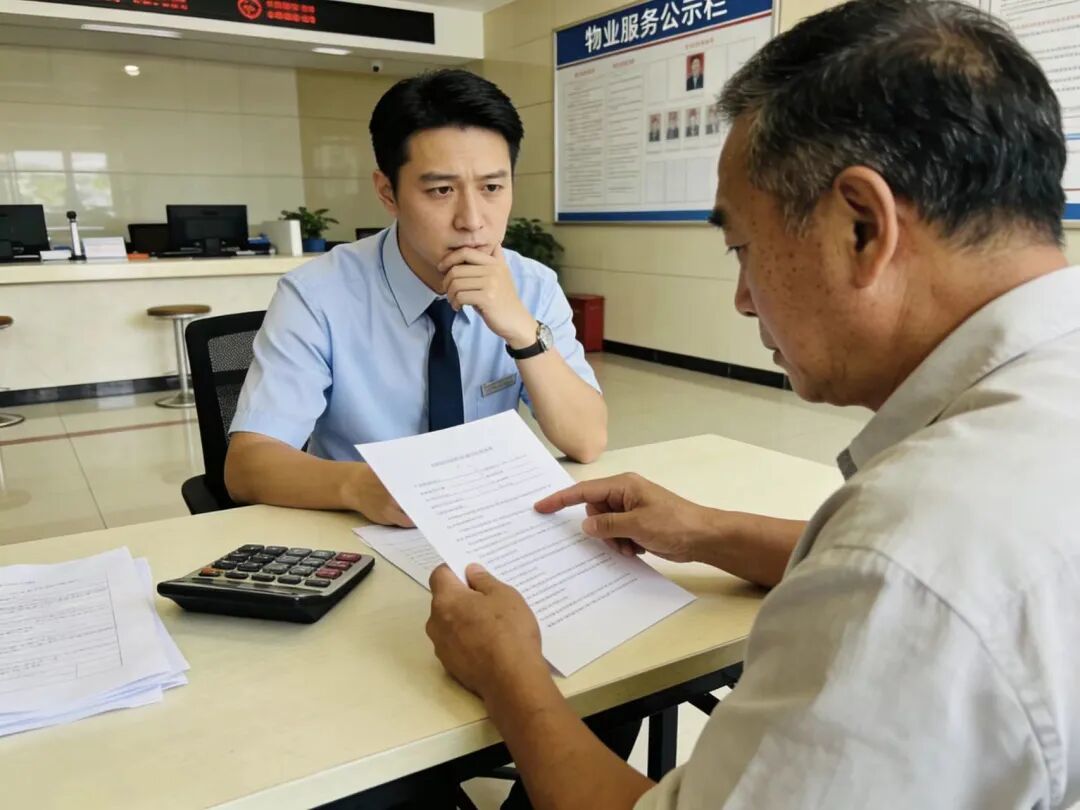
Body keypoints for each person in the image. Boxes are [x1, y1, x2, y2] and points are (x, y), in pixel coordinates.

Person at [425, 0, 1080, 807]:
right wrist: (705, 531)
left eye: (742, 247)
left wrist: (507, 672)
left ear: (862, 227)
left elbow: (905, 573)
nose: (742, 298)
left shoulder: (911, 558)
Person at [226, 69, 607, 525]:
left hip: (488, 524)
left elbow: (587, 441)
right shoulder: (317, 296)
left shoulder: (532, 285)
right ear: (387, 192)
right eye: (441, 190)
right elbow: (247, 464)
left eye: (492, 187)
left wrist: (523, 332)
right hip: (360, 527)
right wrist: (359, 486)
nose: (472, 220)